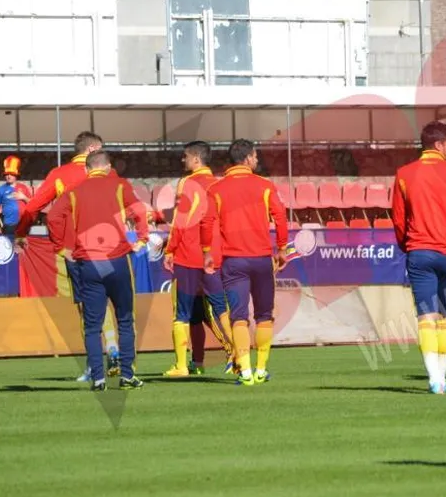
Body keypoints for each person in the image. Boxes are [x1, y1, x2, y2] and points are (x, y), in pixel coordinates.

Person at [16, 131, 120, 381]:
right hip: (107, 247)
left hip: (76, 250)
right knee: (104, 299)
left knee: (86, 306)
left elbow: (33, 206)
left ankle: (93, 365)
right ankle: (113, 346)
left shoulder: (60, 175)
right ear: (92, 149)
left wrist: (21, 232)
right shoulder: (109, 172)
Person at [391, 121, 446, 395]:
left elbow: (398, 218)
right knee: (445, 317)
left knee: (425, 317)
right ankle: (440, 377)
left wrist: (407, 246)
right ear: (438, 144)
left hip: (419, 252)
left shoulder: (404, 174)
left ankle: (435, 379)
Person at [46, 150, 148, 391]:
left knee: (92, 326)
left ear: (86, 169)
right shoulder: (120, 186)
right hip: (117, 261)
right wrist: (142, 239)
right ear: (109, 167)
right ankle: (127, 376)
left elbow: (53, 217)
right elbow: (140, 211)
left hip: (89, 264)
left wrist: (61, 248)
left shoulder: (74, 191)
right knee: (125, 319)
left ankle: (99, 379)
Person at [203, 139, 289, 386]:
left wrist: (207, 251)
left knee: (238, 316)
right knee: (264, 315)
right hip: (261, 260)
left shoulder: (216, 189)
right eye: (256, 156)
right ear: (249, 158)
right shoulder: (265, 185)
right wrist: (282, 248)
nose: (257, 160)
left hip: (233, 262)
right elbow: (280, 216)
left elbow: (207, 223)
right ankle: (261, 369)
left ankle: (246, 371)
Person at [162, 141, 233, 377]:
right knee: (215, 308)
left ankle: (181, 365)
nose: (182, 160)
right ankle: (234, 355)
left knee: (183, 312)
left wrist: (170, 250)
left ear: (195, 159)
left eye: (185, 156)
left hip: (188, 255)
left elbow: (180, 220)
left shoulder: (188, 183)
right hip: (214, 255)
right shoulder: (220, 184)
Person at [0, 155, 32, 239]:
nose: (8, 176)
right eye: (6, 174)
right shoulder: (1, 189)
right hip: (9, 224)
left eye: (11, 174)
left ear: (16, 175)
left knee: (21, 245)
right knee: (9, 244)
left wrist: (24, 197)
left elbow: (32, 203)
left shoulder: (23, 187)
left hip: (23, 223)